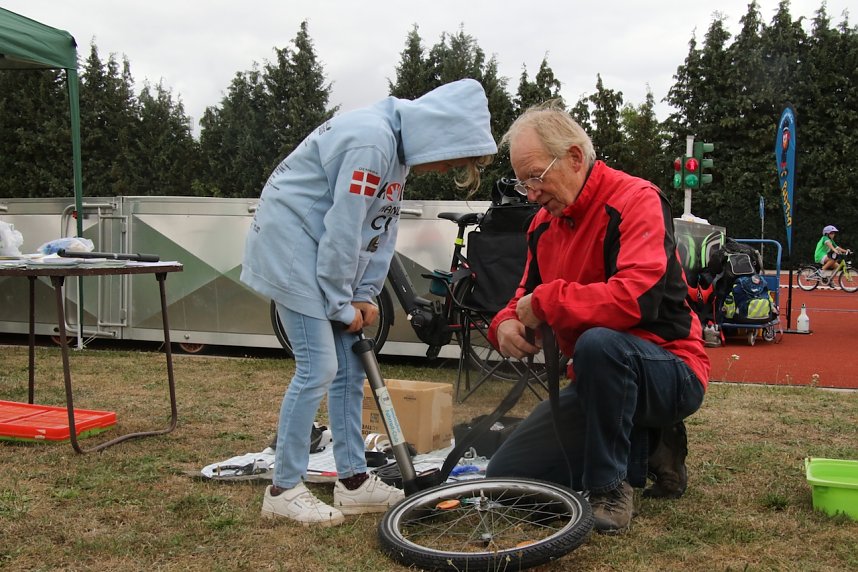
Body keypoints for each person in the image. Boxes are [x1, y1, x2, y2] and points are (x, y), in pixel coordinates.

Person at [241, 79, 497, 527]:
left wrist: (363, 294)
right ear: (441, 134)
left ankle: (354, 482)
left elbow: (379, 230)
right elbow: (343, 227)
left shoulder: (394, 151)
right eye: (450, 160)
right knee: (318, 366)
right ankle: (282, 488)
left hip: (319, 250)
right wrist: (342, 302)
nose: (442, 169)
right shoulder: (370, 140)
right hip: (291, 248)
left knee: (350, 363)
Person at [484, 101, 710, 534]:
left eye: (535, 176)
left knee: (599, 343)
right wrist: (504, 324)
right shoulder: (541, 225)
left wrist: (548, 301)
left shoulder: (637, 199)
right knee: (505, 479)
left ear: (573, 157)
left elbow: (635, 301)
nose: (529, 193)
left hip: (671, 368)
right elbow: (522, 298)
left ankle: (611, 486)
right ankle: (647, 441)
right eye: (521, 180)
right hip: (596, 380)